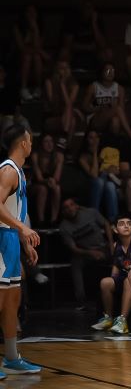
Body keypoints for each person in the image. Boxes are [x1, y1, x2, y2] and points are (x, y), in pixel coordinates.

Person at [0, 125, 42, 377]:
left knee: (12, 302)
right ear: (22, 144)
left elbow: (15, 211)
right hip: (1, 239)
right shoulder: (7, 170)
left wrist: (23, 241)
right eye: (30, 139)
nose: (31, 143)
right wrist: (21, 229)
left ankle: (12, 357)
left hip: (11, 240)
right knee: (1, 299)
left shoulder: (19, 171)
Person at [91, 217, 131, 334]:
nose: (126, 226)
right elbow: (116, 266)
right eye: (122, 224)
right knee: (105, 282)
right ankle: (108, 319)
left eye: (129, 224)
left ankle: (122, 321)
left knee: (128, 280)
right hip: (124, 276)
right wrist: (112, 279)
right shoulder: (116, 245)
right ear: (115, 229)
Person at [59, 198, 113, 309]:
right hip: (85, 253)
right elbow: (73, 248)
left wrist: (111, 244)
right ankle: (81, 301)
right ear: (63, 212)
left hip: (103, 248)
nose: (70, 209)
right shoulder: (64, 226)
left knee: (119, 255)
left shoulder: (91, 213)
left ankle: (117, 293)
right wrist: (90, 252)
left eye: (71, 205)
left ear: (76, 206)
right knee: (75, 263)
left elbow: (106, 224)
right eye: (66, 207)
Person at [29, 133, 63, 225]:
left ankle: (54, 220)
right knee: (42, 189)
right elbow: (39, 178)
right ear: (41, 144)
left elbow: (57, 177)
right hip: (36, 184)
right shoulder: (35, 155)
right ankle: (41, 220)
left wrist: (52, 181)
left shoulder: (59, 156)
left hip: (52, 182)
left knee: (57, 188)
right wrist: (47, 181)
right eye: (46, 141)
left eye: (51, 141)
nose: (49, 144)